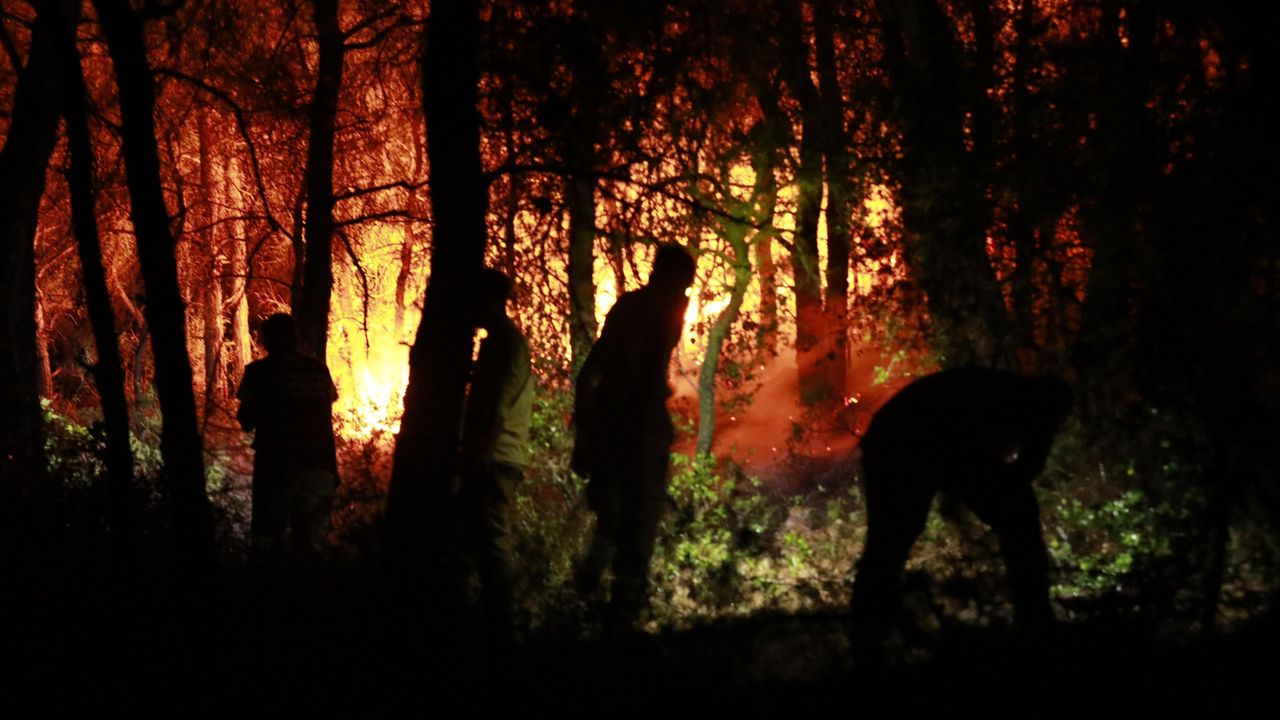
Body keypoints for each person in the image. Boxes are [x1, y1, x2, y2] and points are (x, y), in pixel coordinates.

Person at [851, 366, 1073, 665]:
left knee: (889, 543)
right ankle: (868, 641)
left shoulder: (1000, 396)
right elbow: (1015, 471)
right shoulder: (1008, 403)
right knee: (892, 540)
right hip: (907, 441)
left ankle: (867, 642)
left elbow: (999, 473)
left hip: (904, 437)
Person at [572, 243, 696, 625]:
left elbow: (589, 375)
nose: (685, 294)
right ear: (670, 279)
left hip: (625, 432)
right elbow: (604, 372)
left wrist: (586, 439)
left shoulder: (645, 309)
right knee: (632, 533)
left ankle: (587, 607)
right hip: (632, 434)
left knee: (614, 528)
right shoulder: (649, 312)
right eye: (683, 285)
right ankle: (613, 618)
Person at [458, 269, 534, 638]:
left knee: (493, 539)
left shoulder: (506, 344)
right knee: (480, 539)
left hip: (496, 457)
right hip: (495, 455)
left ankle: (503, 626)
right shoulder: (496, 343)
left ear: (489, 301)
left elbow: (499, 407)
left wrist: (479, 456)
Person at [236, 313, 339, 567]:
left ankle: (267, 598)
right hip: (321, 466)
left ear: (266, 340)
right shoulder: (319, 370)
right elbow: (329, 401)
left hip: (277, 468)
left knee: (266, 543)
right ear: (295, 338)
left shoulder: (258, 373)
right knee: (314, 547)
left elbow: (246, 421)